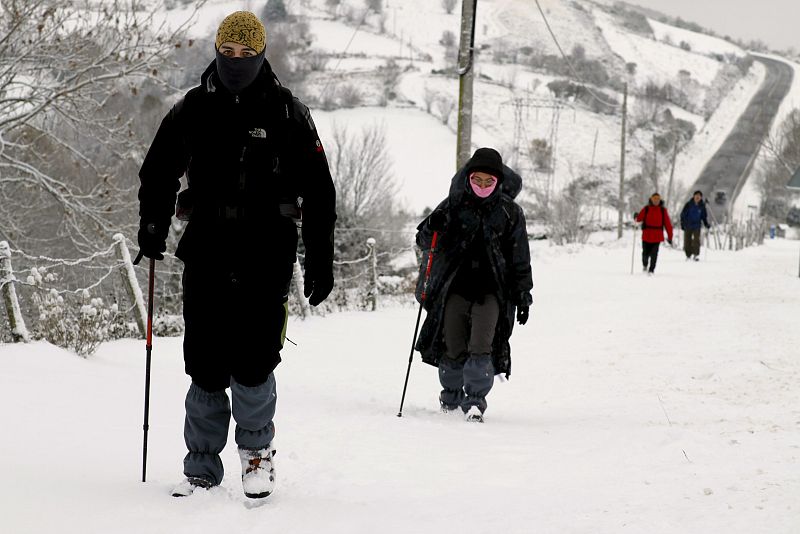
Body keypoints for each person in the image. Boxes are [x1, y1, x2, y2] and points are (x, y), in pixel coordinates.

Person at [136, 11, 336, 499]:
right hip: (206, 247)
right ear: (217, 51)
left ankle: (257, 456)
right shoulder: (193, 109)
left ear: (262, 54)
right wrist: (152, 223)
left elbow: (319, 191)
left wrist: (320, 258)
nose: (236, 60)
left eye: (247, 53)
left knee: (253, 361)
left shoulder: (288, 113)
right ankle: (201, 468)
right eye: (228, 51)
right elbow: (158, 170)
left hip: (267, 251)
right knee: (204, 364)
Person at [414, 148, 533, 423]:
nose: (482, 185)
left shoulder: (510, 212)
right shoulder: (453, 204)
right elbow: (424, 241)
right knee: (453, 345)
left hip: (492, 292)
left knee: (481, 345)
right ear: (468, 178)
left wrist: (523, 294)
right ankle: (450, 397)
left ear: (498, 181)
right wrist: (432, 226)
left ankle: (475, 402)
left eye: (488, 181)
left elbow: (520, 256)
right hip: (454, 288)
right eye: (477, 179)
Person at [635, 192, 673, 276]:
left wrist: (670, 236)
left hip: (657, 236)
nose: (656, 201)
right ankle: (645, 265)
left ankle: (651, 270)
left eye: (658, 199)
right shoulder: (646, 209)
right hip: (646, 235)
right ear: (651, 199)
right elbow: (638, 219)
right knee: (645, 253)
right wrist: (636, 216)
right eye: (654, 199)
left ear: (660, 200)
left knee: (654, 254)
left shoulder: (663, 210)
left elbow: (668, 224)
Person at [680, 190, 710, 261]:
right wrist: (682, 223)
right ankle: (688, 255)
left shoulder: (702, 206)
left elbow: (704, 216)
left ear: (701, 197)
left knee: (696, 240)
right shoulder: (688, 204)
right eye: (696, 196)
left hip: (697, 225)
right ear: (693, 196)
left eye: (699, 196)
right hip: (688, 225)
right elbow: (683, 214)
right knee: (687, 240)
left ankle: (695, 254)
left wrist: (706, 224)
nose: (697, 197)